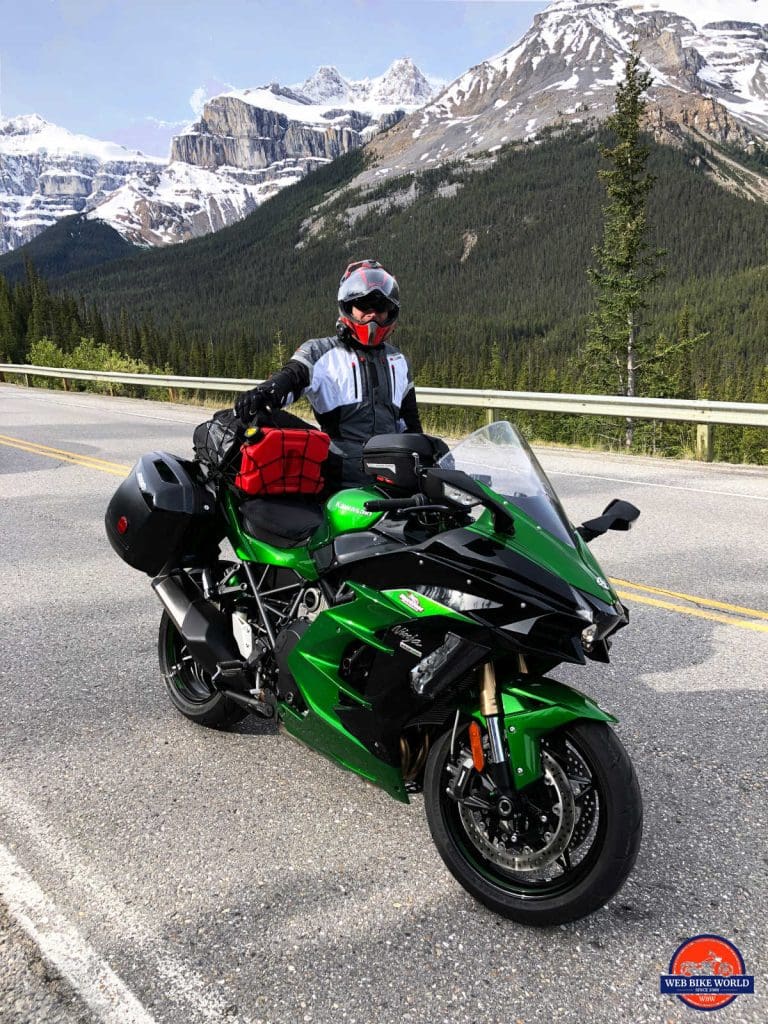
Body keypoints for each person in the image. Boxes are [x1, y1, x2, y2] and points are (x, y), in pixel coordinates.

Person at [234, 259, 422, 488]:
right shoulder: (320, 352)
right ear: (348, 306)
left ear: (390, 312)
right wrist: (263, 393)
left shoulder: (399, 361)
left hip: (393, 474)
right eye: (364, 305)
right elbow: (291, 378)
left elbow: (411, 425)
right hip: (341, 472)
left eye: (380, 308)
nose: (372, 315)